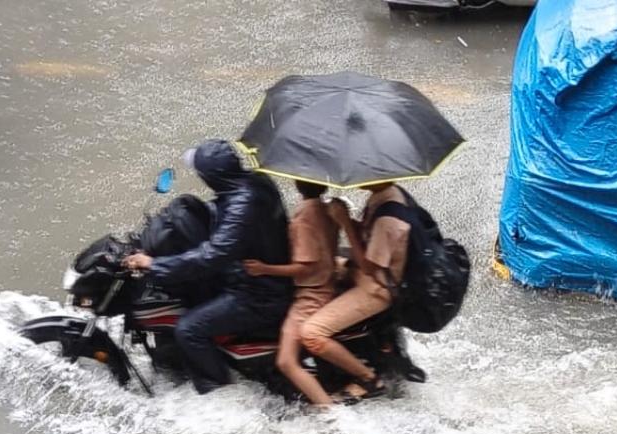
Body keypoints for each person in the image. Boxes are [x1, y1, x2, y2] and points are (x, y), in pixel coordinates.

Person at [123, 140, 292, 394]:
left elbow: (214, 255)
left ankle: (220, 393)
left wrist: (155, 264)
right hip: (250, 275)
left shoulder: (242, 204)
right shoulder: (255, 183)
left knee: (189, 329)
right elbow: (222, 218)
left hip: (259, 294)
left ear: (212, 177)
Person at [242, 181, 357, 407]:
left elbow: (305, 267)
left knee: (286, 361)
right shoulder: (329, 209)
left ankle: (328, 410)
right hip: (328, 284)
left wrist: (263, 269)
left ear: (296, 184)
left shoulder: (304, 218)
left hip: (311, 295)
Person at [299, 182, 411, 403]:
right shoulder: (384, 194)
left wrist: (345, 223)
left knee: (311, 334)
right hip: (367, 274)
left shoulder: (390, 219)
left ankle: (368, 380)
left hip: (376, 288)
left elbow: (370, 266)